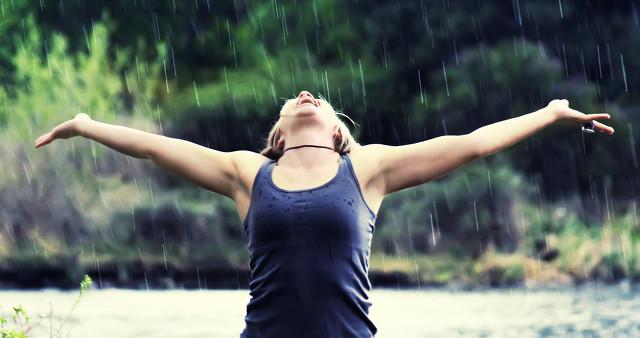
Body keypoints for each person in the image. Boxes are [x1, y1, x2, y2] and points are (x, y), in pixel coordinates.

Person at [34, 90, 614, 337]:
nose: (305, 95)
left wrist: (548, 112)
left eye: (318, 99)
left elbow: (474, 143)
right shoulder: (246, 174)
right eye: (293, 101)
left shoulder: (370, 170)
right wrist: (88, 126)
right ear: (278, 133)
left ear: (338, 132)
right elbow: (153, 146)